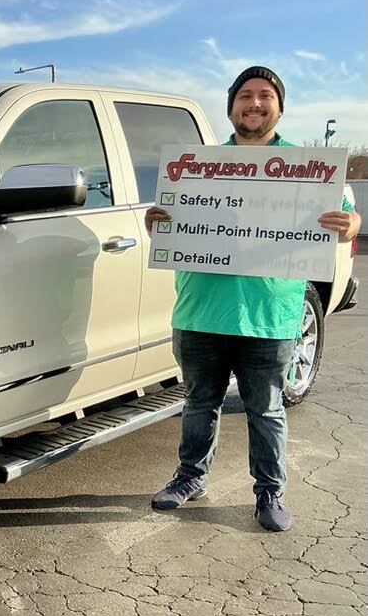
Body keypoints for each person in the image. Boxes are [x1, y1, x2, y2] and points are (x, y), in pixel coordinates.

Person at [144, 65, 361, 532]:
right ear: (232, 106)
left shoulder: (311, 169)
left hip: (269, 315)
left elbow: (347, 217)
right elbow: (170, 221)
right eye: (246, 95)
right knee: (200, 402)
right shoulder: (197, 165)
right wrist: (157, 220)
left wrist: (352, 225)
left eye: (265, 96)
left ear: (280, 108)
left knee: (265, 409)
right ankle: (190, 477)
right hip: (200, 308)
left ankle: (269, 492)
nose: (255, 104)